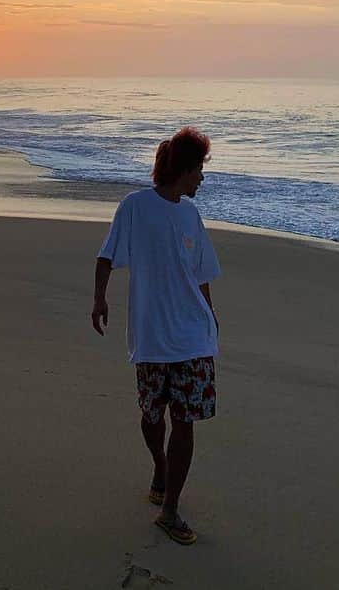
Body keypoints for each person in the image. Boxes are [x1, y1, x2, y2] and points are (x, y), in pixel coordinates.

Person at [91, 125, 220, 547]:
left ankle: (170, 509)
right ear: (183, 168)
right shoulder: (136, 206)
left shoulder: (191, 215)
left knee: (185, 421)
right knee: (152, 415)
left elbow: (200, 274)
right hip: (150, 334)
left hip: (192, 336)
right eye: (198, 169)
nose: (202, 178)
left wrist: (211, 318)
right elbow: (107, 253)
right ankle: (159, 466)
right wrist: (100, 299)